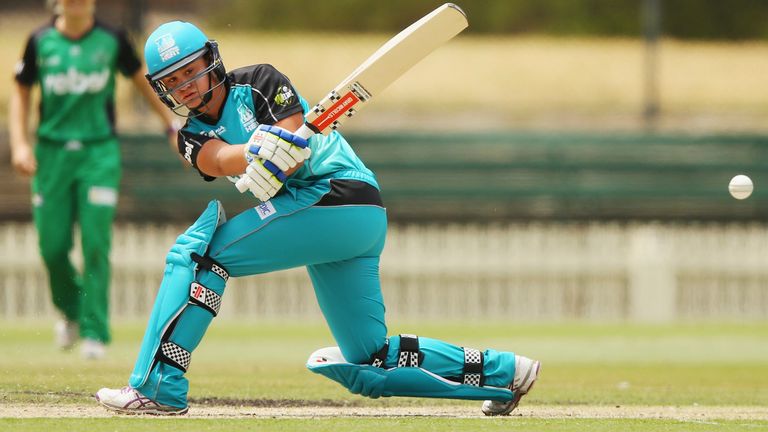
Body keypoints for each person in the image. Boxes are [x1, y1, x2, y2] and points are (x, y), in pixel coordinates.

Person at [95, 21, 540, 416]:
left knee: (202, 257)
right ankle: (507, 373)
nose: (186, 86)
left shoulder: (260, 81)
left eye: (191, 70)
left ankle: (159, 386)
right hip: (340, 221)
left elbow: (291, 146)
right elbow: (217, 159)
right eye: (173, 80)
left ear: (212, 62)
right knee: (368, 360)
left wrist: (274, 154)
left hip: (339, 195)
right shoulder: (190, 135)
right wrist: (251, 153)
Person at [8, 0, 181, 359]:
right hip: (52, 155)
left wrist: (170, 125)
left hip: (98, 154)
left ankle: (95, 331)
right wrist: (21, 144)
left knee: (95, 243)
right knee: (52, 247)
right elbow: (21, 93)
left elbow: (141, 82)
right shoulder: (39, 41)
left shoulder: (112, 39)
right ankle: (72, 311)